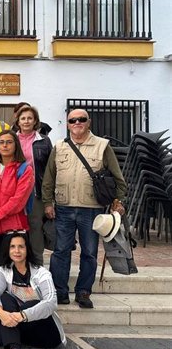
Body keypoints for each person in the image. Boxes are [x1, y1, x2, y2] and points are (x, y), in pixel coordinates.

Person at [42, 109, 126, 309]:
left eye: (81, 119)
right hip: (64, 208)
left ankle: (83, 291)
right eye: (73, 120)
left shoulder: (102, 146)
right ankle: (60, 291)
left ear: (89, 122)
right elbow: (49, 178)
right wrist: (47, 202)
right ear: (68, 124)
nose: (77, 122)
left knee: (89, 252)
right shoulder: (59, 147)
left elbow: (118, 178)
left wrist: (119, 201)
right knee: (61, 251)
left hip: (92, 209)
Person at [0, 232, 66, 349]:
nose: (17, 251)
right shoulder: (4, 271)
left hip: (46, 333)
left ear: (28, 249)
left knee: (29, 305)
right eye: (12, 247)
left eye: (21, 247)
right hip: (21, 329)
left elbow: (51, 302)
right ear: (7, 250)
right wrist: (0, 312)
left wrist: (22, 315)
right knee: (4, 299)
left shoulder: (41, 273)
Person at [0, 130, 35, 292]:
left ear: (16, 145)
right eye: (1, 142)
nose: (5, 145)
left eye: (9, 142)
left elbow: (17, 202)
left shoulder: (25, 169)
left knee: (11, 275)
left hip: (13, 229)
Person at [15, 105, 53, 264]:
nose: (26, 121)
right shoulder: (11, 139)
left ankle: (37, 264)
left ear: (35, 121)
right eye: (23, 118)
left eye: (29, 118)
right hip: (14, 191)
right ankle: (17, 265)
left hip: (35, 191)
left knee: (35, 227)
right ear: (18, 121)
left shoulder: (43, 141)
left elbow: (50, 170)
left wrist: (49, 199)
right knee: (16, 227)